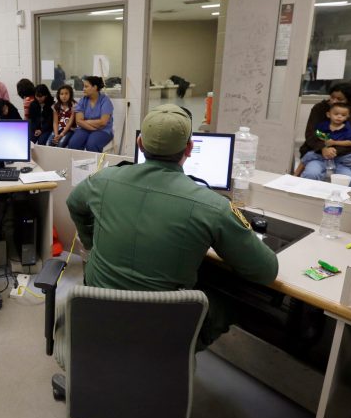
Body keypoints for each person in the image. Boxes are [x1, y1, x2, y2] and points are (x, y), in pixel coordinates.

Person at [66, 104, 278, 349]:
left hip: (100, 313)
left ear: (139, 144)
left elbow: (73, 203)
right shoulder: (213, 206)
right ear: (189, 148)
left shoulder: (103, 180)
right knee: (230, 300)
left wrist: (91, 243)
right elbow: (266, 271)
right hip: (164, 331)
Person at [298, 81, 351, 169]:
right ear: (328, 114)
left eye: (339, 99)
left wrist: (334, 150)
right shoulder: (319, 108)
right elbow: (311, 133)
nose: (334, 101)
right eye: (332, 97)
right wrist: (323, 148)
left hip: (344, 155)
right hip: (317, 152)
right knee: (312, 173)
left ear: (349, 101)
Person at [300, 102, 351, 187]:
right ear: (328, 114)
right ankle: (296, 174)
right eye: (336, 114)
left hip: (342, 159)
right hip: (321, 157)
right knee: (309, 161)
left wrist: (334, 142)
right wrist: (324, 142)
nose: (339, 116)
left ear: (347, 117)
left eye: (343, 115)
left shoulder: (348, 129)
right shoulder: (323, 125)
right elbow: (316, 134)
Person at [67, 75, 114, 152]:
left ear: (95, 87)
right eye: (83, 86)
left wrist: (85, 121)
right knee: (73, 144)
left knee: (92, 144)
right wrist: (93, 129)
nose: (83, 89)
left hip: (103, 130)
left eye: (86, 87)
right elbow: (78, 121)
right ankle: (78, 164)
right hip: (86, 128)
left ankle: (96, 164)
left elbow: (103, 122)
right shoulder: (83, 100)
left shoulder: (105, 101)